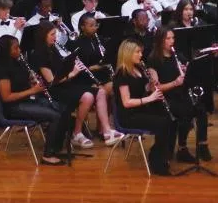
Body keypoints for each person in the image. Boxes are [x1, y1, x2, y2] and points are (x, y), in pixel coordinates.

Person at [32, 21, 119, 148]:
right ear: (43, 36)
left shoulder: (53, 48)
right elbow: (51, 81)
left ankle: (107, 131)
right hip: (53, 90)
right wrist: (72, 73)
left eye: (55, 34)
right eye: (52, 34)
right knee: (87, 96)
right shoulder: (39, 54)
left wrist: (71, 61)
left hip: (65, 85)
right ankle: (76, 133)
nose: (55, 37)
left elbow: (61, 68)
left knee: (101, 92)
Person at [0, 34, 71, 166]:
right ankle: (48, 155)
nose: (19, 50)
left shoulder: (18, 62)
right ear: (6, 51)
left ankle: (56, 147)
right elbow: (6, 97)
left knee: (63, 108)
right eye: (16, 48)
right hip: (13, 108)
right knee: (55, 116)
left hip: (27, 100)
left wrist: (32, 82)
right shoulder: (1, 69)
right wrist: (32, 91)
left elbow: (22, 83)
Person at [112, 39, 177, 176]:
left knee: (168, 116)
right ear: (128, 53)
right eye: (137, 52)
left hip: (140, 110)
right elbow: (126, 102)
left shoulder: (138, 69)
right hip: (128, 116)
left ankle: (162, 154)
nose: (141, 55)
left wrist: (150, 86)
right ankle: (156, 160)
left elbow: (141, 88)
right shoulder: (122, 74)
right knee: (162, 123)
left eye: (141, 52)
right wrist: (150, 98)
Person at [147, 26, 209, 162]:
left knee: (201, 110)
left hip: (180, 94)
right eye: (168, 38)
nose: (172, 41)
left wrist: (186, 71)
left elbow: (189, 73)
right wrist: (175, 83)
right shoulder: (153, 59)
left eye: (173, 38)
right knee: (185, 112)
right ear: (160, 40)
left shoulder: (178, 55)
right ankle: (182, 148)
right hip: (164, 99)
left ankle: (202, 144)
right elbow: (155, 88)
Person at [71, 13, 123, 142]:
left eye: (96, 25)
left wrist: (104, 63)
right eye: (91, 25)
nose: (95, 28)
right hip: (85, 78)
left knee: (115, 87)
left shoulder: (100, 40)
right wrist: (93, 68)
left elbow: (107, 59)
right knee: (103, 91)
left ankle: (105, 127)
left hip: (101, 76)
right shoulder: (77, 44)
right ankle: (102, 128)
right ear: (82, 27)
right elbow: (78, 67)